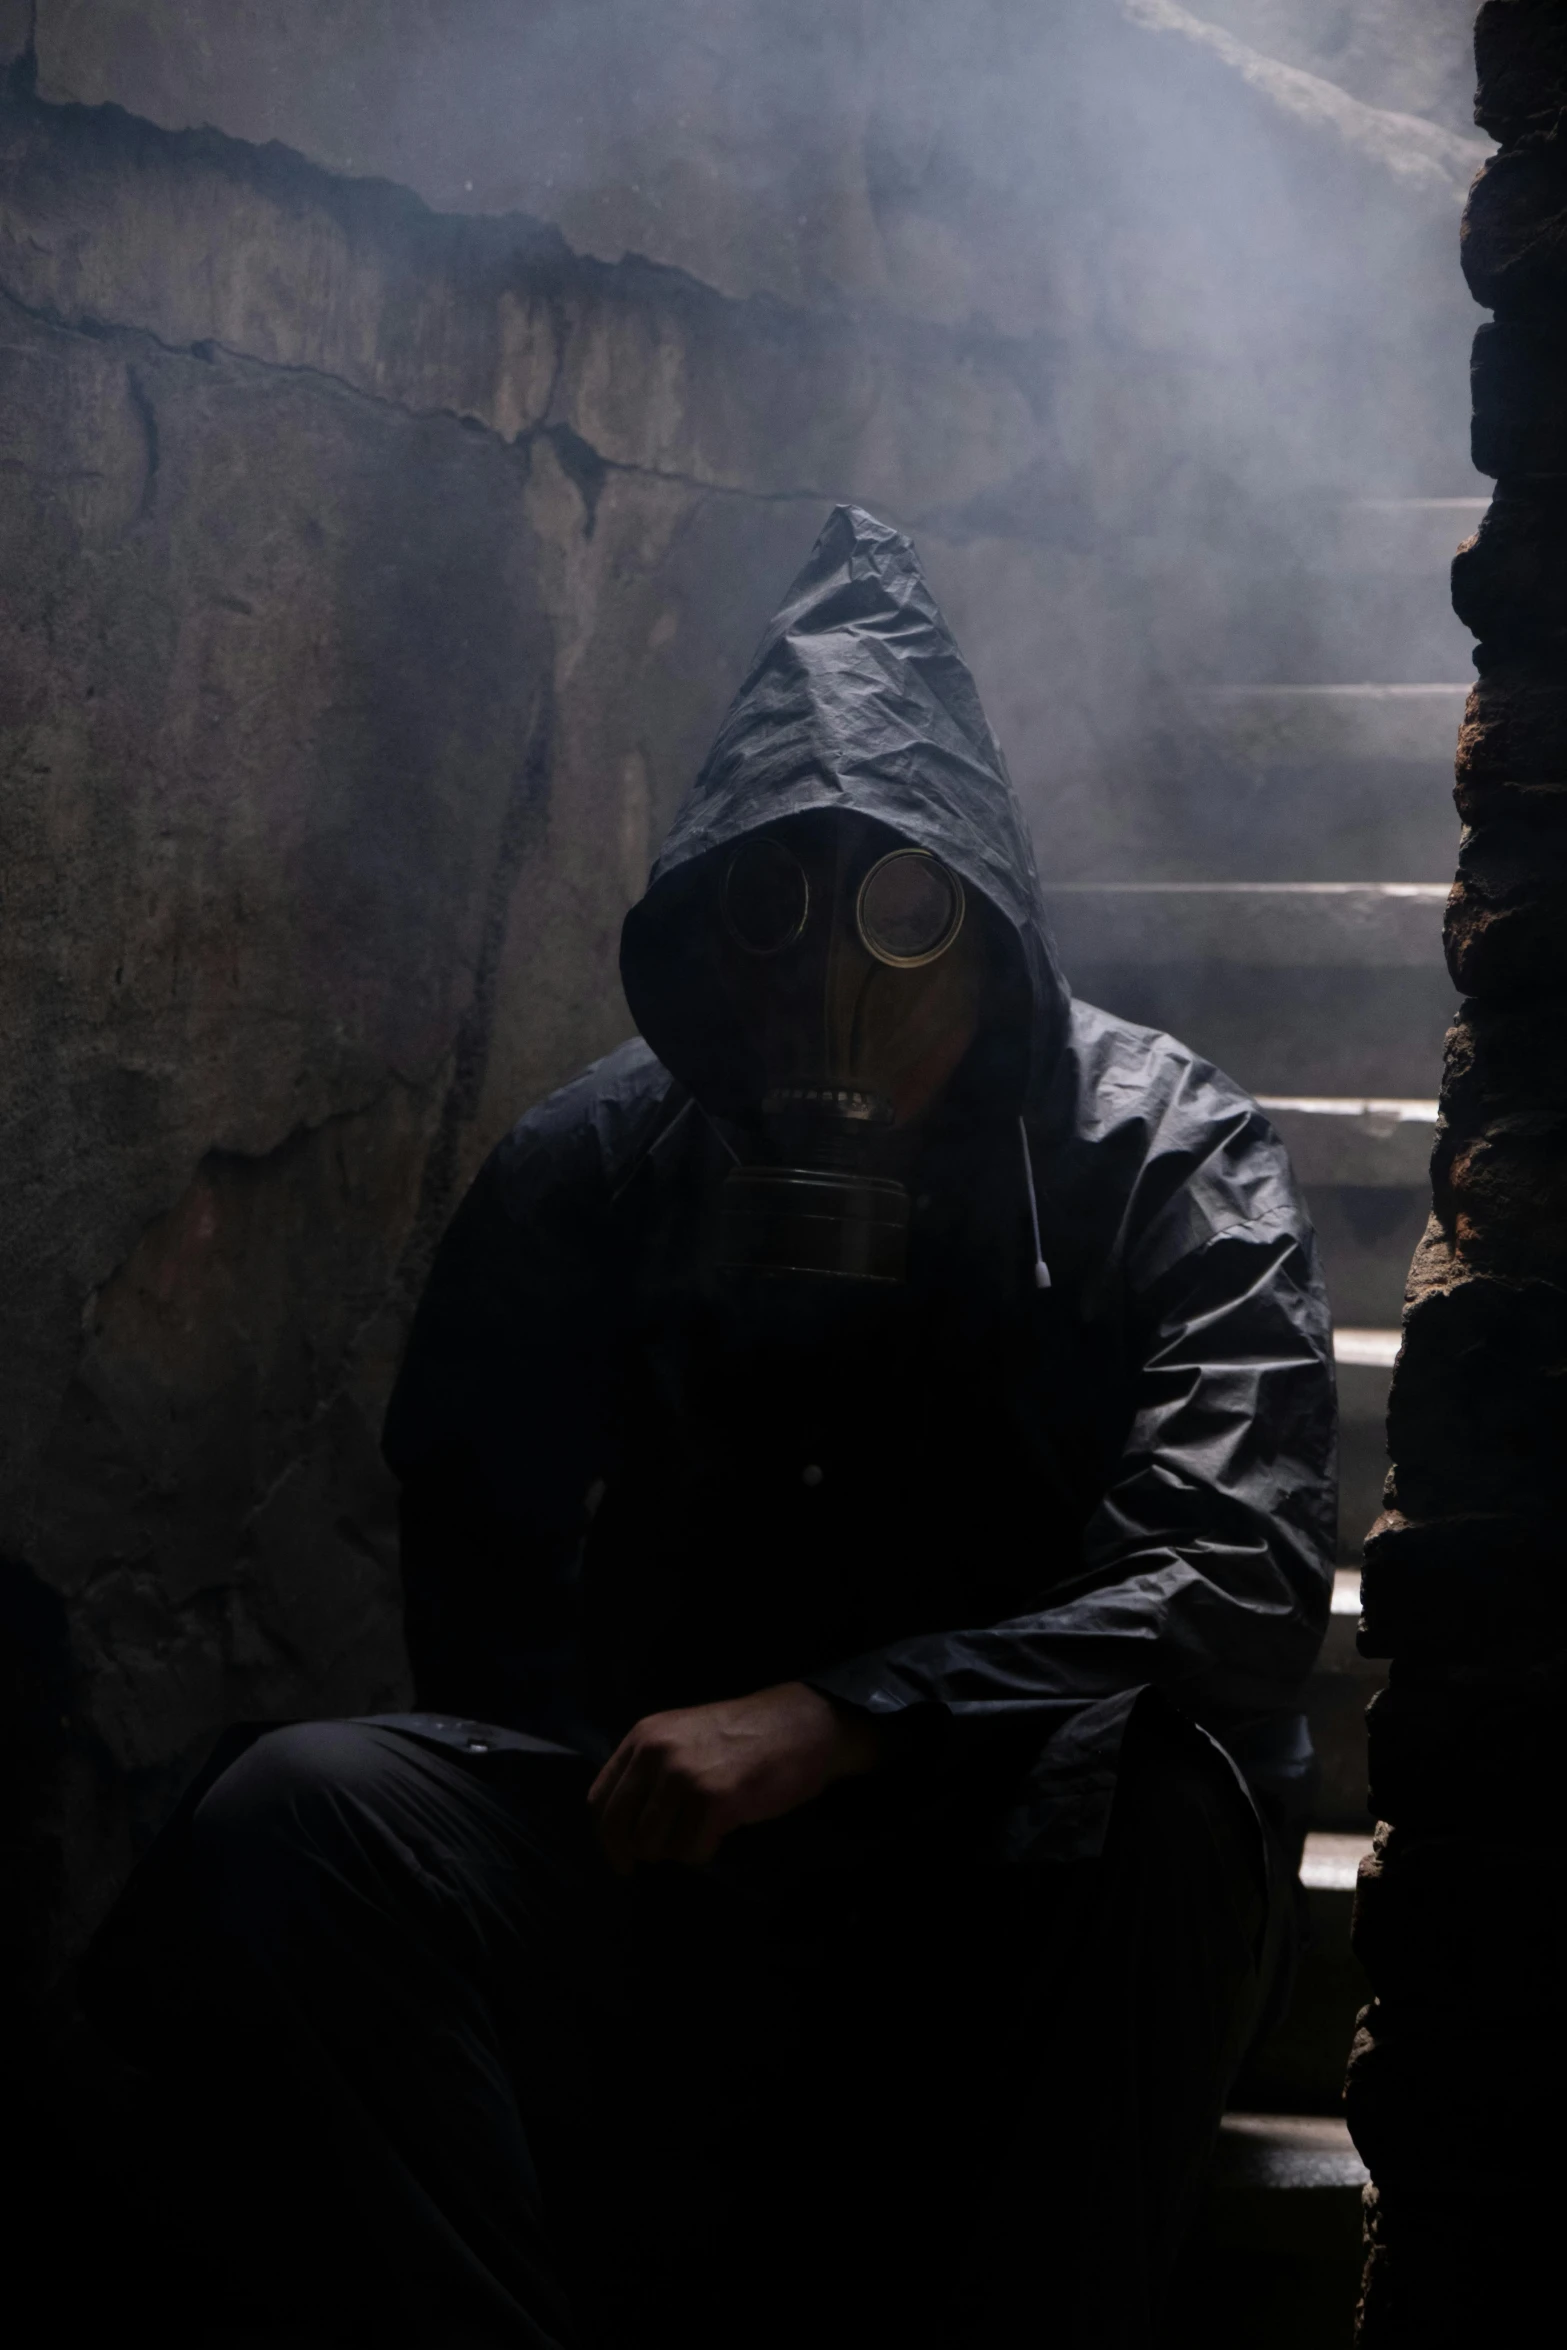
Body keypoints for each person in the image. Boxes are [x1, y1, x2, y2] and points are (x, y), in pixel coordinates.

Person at [88, 506, 1335, 2349]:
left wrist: (841, 1719)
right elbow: (476, 1565)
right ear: (707, 939)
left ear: (985, 923)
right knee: (297, 1820)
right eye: (774, 909)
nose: (836, 988)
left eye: (902, 913)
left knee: (1161, 1790)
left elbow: (1231, 1581)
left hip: (1023, 1884)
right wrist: (615, 1836)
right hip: (700, 1877)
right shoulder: (607, 1156)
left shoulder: (1163, 1150)